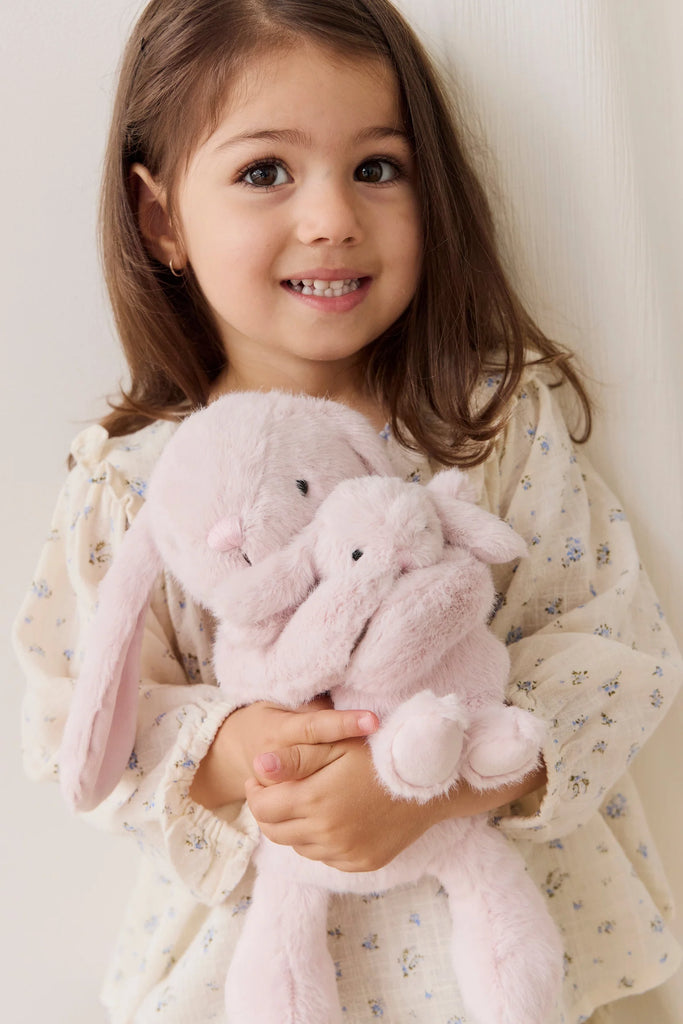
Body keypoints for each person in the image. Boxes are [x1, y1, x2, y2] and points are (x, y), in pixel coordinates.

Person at [13, 0, 681, 1021]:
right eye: (263, 172)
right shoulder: (139, 484)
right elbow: (83, 717)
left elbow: (612, 640)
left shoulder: (489, 425)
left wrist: (451, 775)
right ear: (161, 220)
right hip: (255, 961)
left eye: (376, 167)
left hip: (492, 953)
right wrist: (239, 748)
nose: (330, 217)